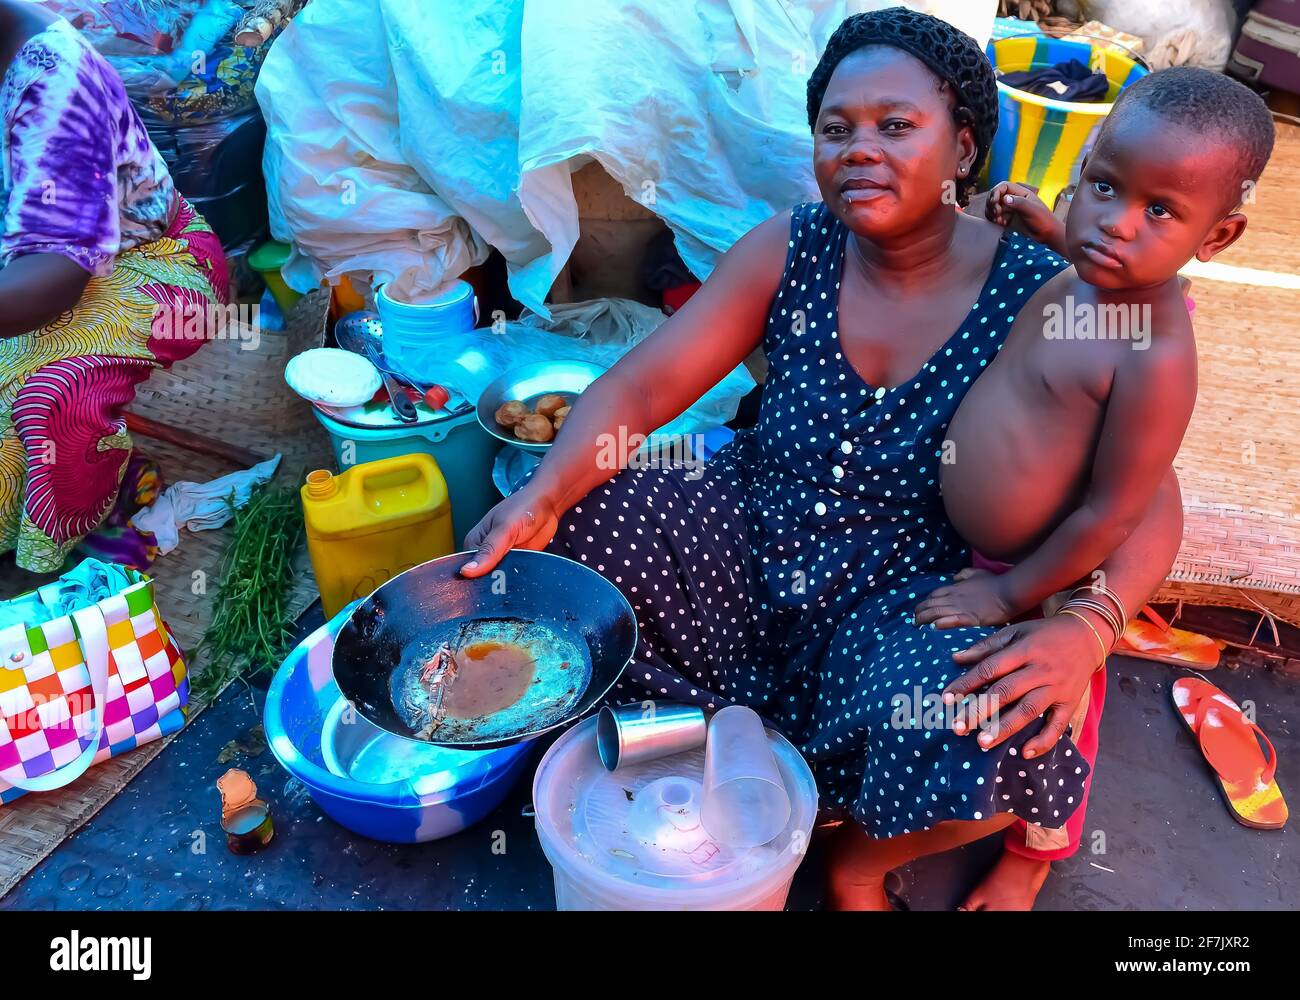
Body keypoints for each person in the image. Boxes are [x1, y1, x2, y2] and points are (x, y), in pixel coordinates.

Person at [462, 7, 1184, 910]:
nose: (859, 149)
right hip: (755, 536)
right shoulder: (793, 246)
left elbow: (1151, 497)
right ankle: (712, 739)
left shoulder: (1039, 289)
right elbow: (645, 393)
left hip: (909, 593)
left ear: (963, 147)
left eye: (896, 125)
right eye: (835, 129)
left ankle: (858, 854)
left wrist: (1093, 624)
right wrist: (544, 495)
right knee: (587, 515)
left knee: (994, 706)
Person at [914, 68, 1275, 908]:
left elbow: (1119, 508)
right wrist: (1049, 230)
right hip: (990, 554)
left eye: (1159, 211)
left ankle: (1035, 854)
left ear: (1217, 238)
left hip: (1053, 579)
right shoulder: (1091, 279)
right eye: (1104, 186)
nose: (1113, 223)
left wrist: (1014, 595)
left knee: (1055, 715)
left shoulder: (1155, 357)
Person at [0, 1, 229, 572]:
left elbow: (56, 278)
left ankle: (70, 534)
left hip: (160, 264)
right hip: (25, 266)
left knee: (50, 392)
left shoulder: (55, 81)